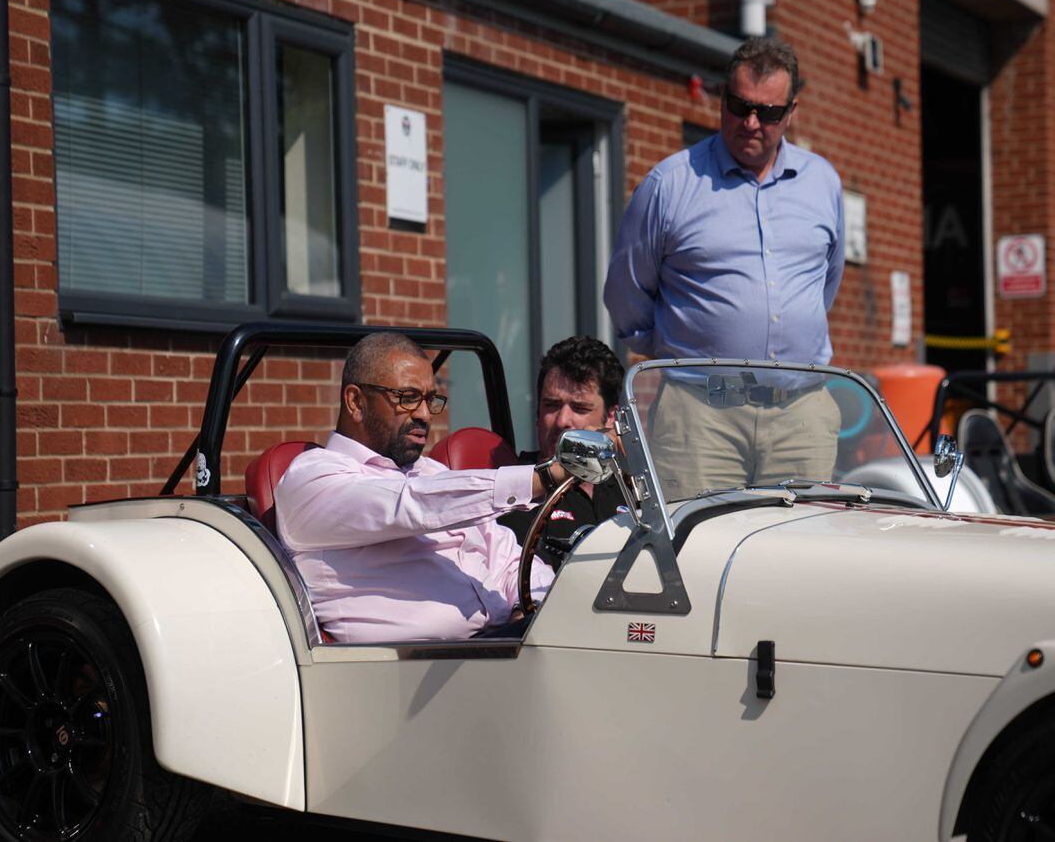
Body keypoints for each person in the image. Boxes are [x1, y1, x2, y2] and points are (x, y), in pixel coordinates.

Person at [603, 37, 843, 498]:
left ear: (791, 112)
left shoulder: (823, 183)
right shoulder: (670, 184)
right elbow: (625, 292)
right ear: (722, 98)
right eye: (740, 106)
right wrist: (680, 348)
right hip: (701, 415)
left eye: (769, 113)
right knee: (698, 556)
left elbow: (823, 286)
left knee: (803, 558)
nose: (752, 123)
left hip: (801, 414)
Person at [274, 332, 559, 644]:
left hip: (501, 648)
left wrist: (530, 606)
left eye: (429, 400)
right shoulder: (313, 478)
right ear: (356, 402)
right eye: (407, 398)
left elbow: (508, 557)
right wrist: (541, 478)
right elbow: (407, 505)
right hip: (408, 673)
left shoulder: (429, 472)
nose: (424, 414)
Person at [499, 337, 630, 567]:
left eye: (579, 408)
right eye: (551, 405)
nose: (562, 421)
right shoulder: (516, 492)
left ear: (611, 418)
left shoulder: (630, 486)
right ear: (537, 414)